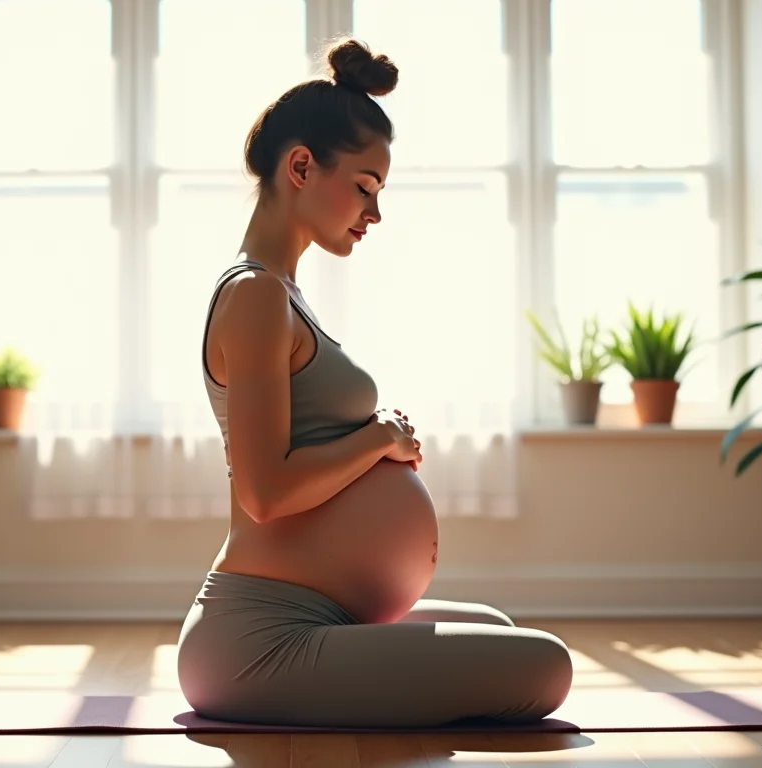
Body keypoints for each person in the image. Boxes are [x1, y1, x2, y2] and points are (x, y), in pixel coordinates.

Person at [175, 36, 574, 729]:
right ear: (301, 166)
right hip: (260, 641)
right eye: (363, 187)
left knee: (497, 625)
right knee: (545, 665)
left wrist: (373, 441)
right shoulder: (255, 296)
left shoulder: (282, 295)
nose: (374, 213)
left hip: (318, 612)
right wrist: (377, 439)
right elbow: (266, 493)